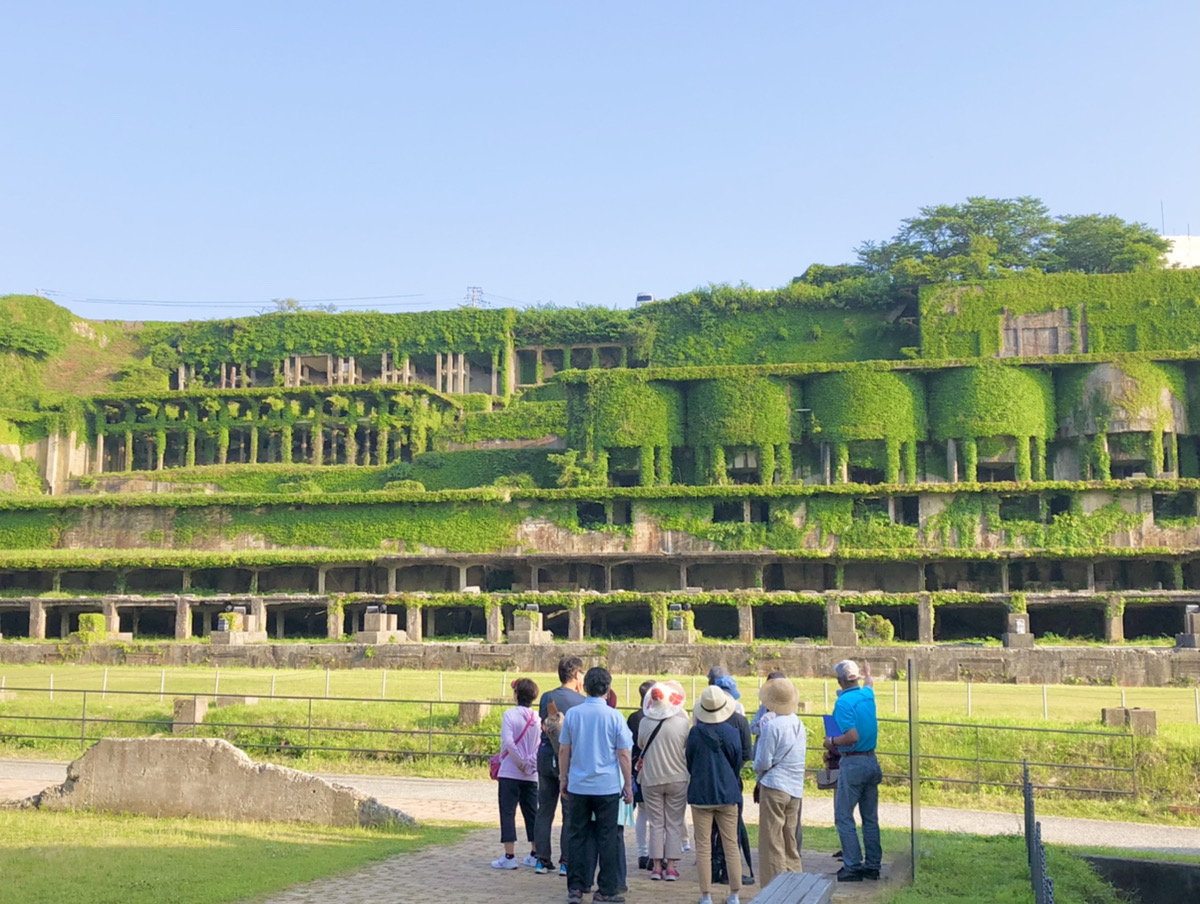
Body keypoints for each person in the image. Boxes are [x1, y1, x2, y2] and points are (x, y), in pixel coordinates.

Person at [559, 666, 634, 904]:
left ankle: (576, 887)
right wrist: (628, 785)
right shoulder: (614, 716)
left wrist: (563, 777)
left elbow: (564, 749)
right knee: (607, 838)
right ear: (608, 688)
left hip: (579, 785)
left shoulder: (573, 714)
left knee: (577, 836)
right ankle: (606, 889)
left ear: (586, 687)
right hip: (607, 786)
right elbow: (623, 754)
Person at [686, 684, 745, 904]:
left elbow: (689, 761)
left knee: (703, 846)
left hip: (701, 793)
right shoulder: (731, 732)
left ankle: (706, 894)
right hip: (728, 792)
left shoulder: (695, 733)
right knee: (731, 843)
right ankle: (735, 893)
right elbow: (736, 761)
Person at [824, 659, 881, 882]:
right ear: (856, 678)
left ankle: (853, 865)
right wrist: (868, 673)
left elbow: (851, 737)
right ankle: (873, 865)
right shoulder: (868, 696)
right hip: (871, 761)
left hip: (853, 762)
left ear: (839, 680)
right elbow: (870, 684)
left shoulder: (843, 703)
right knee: (870, 818)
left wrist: (831, 741)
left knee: (844, 816)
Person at [752, 677, 807, 887]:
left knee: (772, 840)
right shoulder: (798, 723)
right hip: (795, 787)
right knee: (789, 839)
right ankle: (796, 882)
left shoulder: (772, 726)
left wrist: (758, 771)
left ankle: (774, 888)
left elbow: (763, 761)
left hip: (775, 785)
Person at [534, 656, 585, 875]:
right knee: (569, 812)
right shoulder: (582, 703)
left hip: (546, 755)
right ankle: (566, 860)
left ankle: (541, 859)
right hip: (569, 759)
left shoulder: (547, 697)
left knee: (544, 810)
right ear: (576, 675)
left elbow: (543, 725)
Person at [637, 680, 689, 881]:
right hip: (677, 777)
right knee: (674, 823)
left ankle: (656, 866)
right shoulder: (683, 723)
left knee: (656, 823)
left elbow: (641, 743)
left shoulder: (644, 722)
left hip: (652, 777)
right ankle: (672, 866)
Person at [706, 667, 754, 887]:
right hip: (731, 781)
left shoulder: (702, 720)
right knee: (731, 828)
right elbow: (746, 753)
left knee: (709, 828)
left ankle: (712, 868)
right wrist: (732, 769)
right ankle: (726, 869)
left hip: (708, 781)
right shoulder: (740, 722)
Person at [492, 678, 541, 869]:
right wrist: (529, 762)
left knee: (508, 812)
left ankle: (509, 855)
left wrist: (519, 761)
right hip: (531, 773)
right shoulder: (537, 718)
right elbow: (539, 744)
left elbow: (508, 742)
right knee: (532, 814)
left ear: (516, 695)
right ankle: (535, 853)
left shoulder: (509, 715)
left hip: (510, 771)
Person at [627, 679, 655, 870]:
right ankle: (654, 854)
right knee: (655, 816)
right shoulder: (654, 718)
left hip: (637, 768)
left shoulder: (633, 718)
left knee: (642, 813)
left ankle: (642, 853)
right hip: (653, 768)